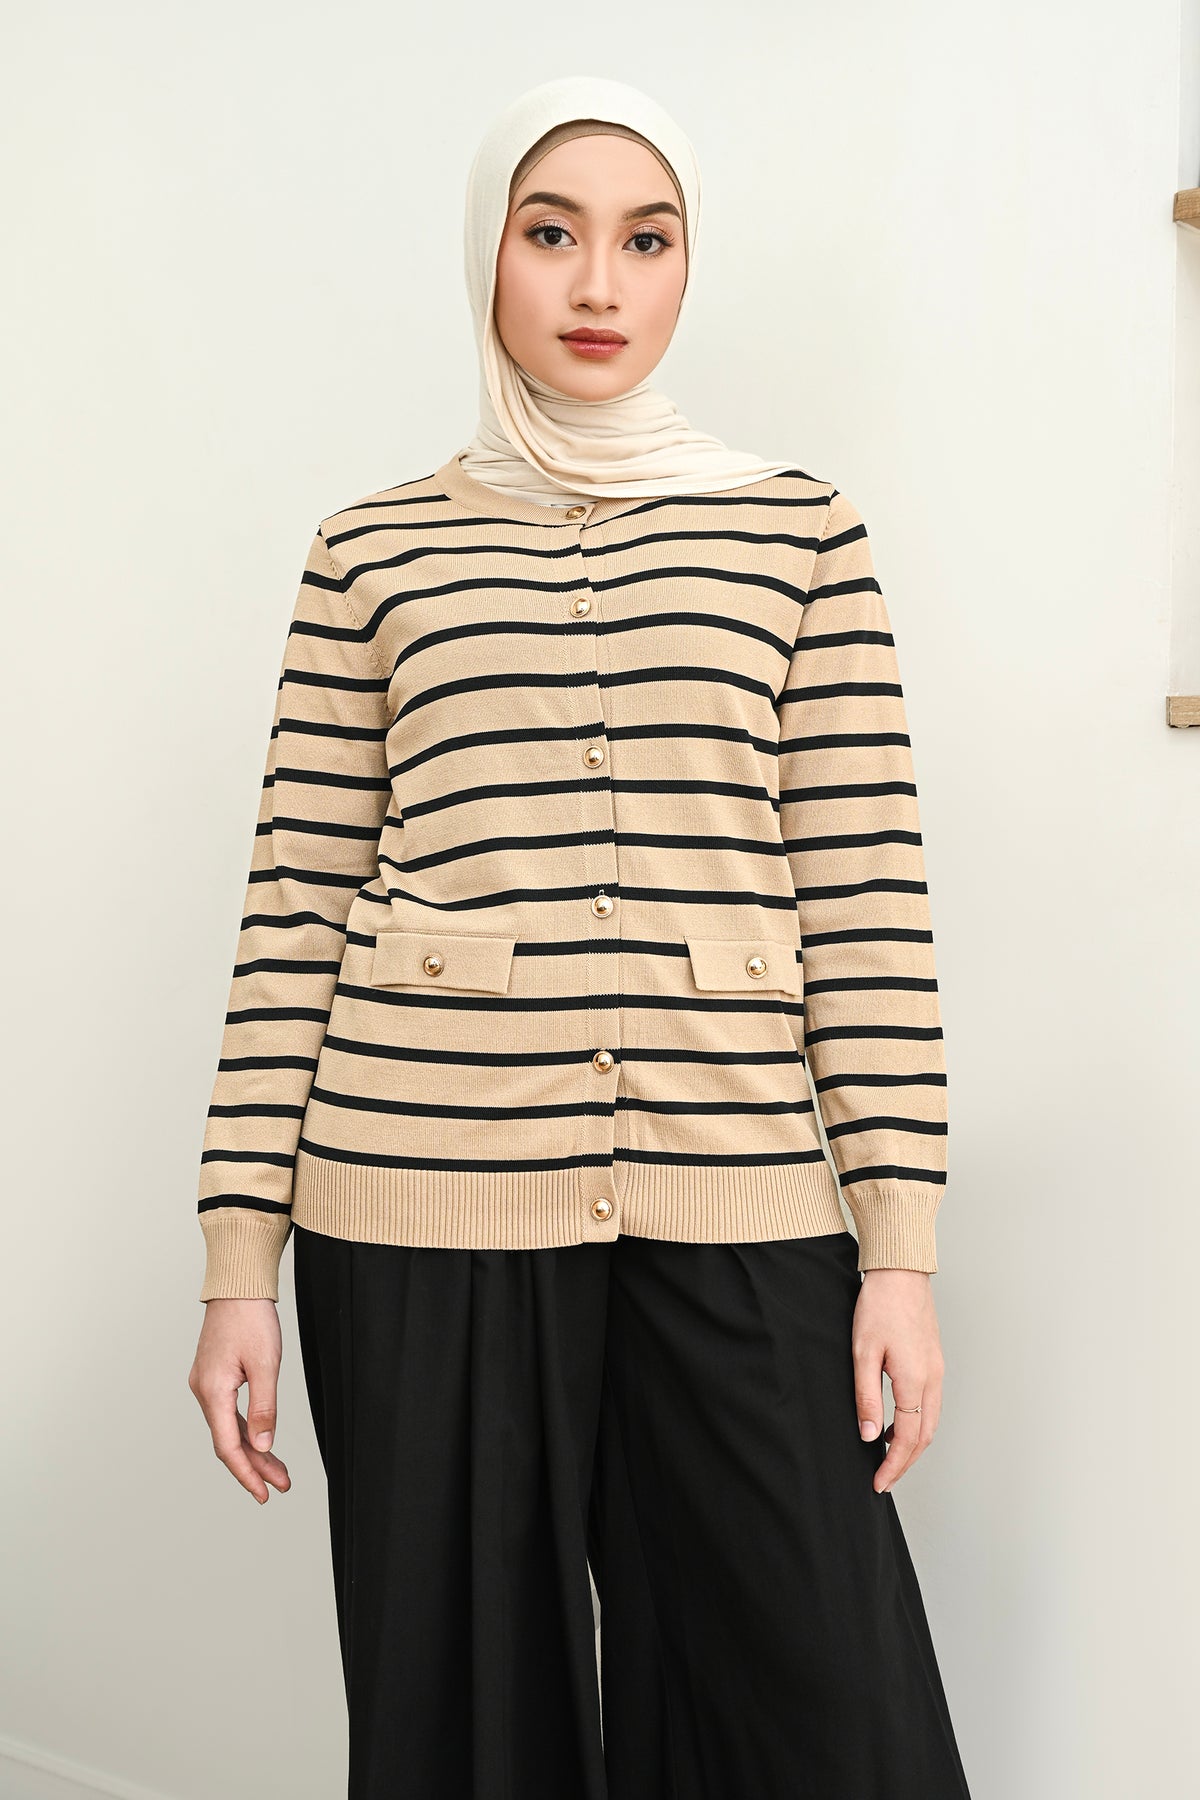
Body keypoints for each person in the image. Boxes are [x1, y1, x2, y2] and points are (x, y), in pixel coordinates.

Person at [188, 74, 973, 1800]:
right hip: (413, 1201)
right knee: (463, 1728)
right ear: (487, 251)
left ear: (692, 264)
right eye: (551, 235)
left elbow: (864, 900)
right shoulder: (371, 551)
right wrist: (239, 1260)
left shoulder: (800, 533)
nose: (598, 285)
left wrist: (898, 1253)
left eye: (647, 239)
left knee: (826, 1711)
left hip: (740, 1186)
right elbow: (295, 908)